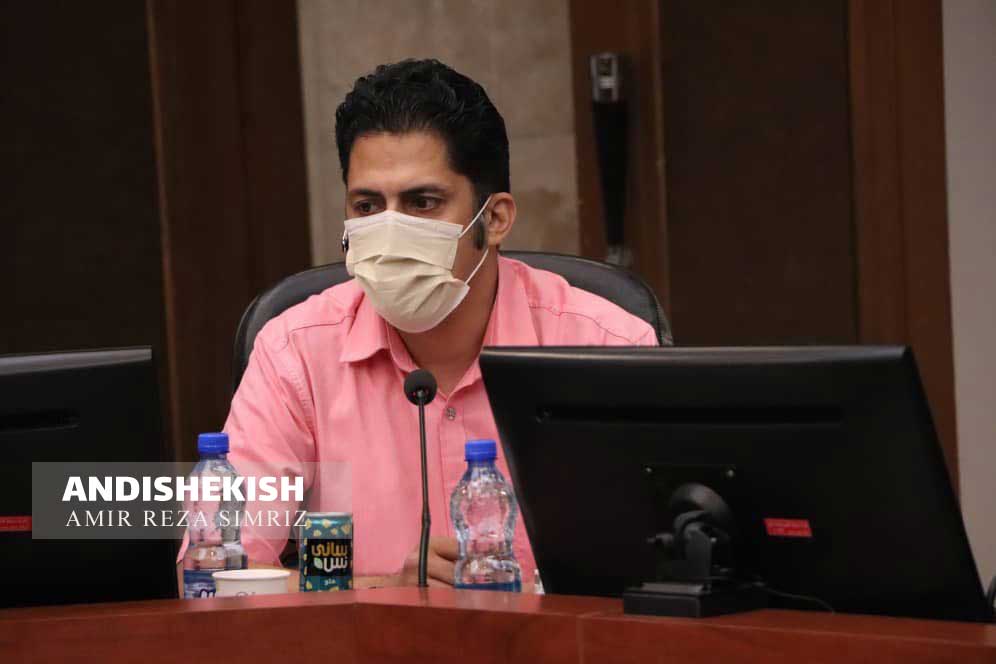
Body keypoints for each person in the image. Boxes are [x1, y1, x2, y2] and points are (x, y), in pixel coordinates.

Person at [221, 59, 662, 588]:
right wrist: (387, 591)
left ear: (494, 219)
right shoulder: (294, 352)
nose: (389, 230)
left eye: (422, 203)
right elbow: (213, 570)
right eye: (367, 205)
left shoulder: (607, 345)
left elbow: (662, 571)